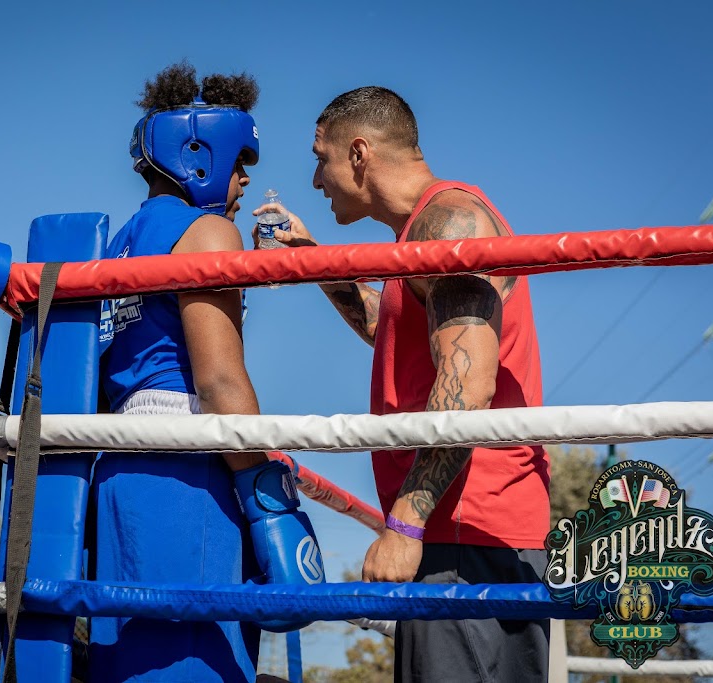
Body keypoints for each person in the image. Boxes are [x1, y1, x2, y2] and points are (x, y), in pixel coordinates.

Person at [254, 86, 550, 682]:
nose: (315, 179)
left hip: (465, 530)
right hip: (463, 529)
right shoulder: (419, 233)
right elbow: (391, 333)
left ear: (359, 151)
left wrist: (406, 524)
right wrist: (314, 261)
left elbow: (468, 386)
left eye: (321, 157)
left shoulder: (448, 222)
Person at [90, 62, 326, 683]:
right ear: (201, 154)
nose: (246, 179)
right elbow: (219, 380)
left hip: (118, 471)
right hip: (190, 468)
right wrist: (266, 497)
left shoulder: (118, 240)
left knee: (134, 662)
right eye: (240, 161)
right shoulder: (210, 229)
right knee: (196, 665)